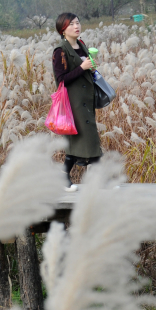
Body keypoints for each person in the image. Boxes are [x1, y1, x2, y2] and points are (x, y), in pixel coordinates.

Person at [52, 13, 102, 191]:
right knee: (88, 138)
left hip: (86, 100)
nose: (76, 26)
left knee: (83, 139)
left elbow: (84, 71)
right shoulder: (60, 51)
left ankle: (65, 177)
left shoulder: (81, 45)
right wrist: (82, 67)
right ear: (63, 30)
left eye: (78, 23)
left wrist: (90, 68)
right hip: (72, 103)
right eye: (71, 24)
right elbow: (61, 80)